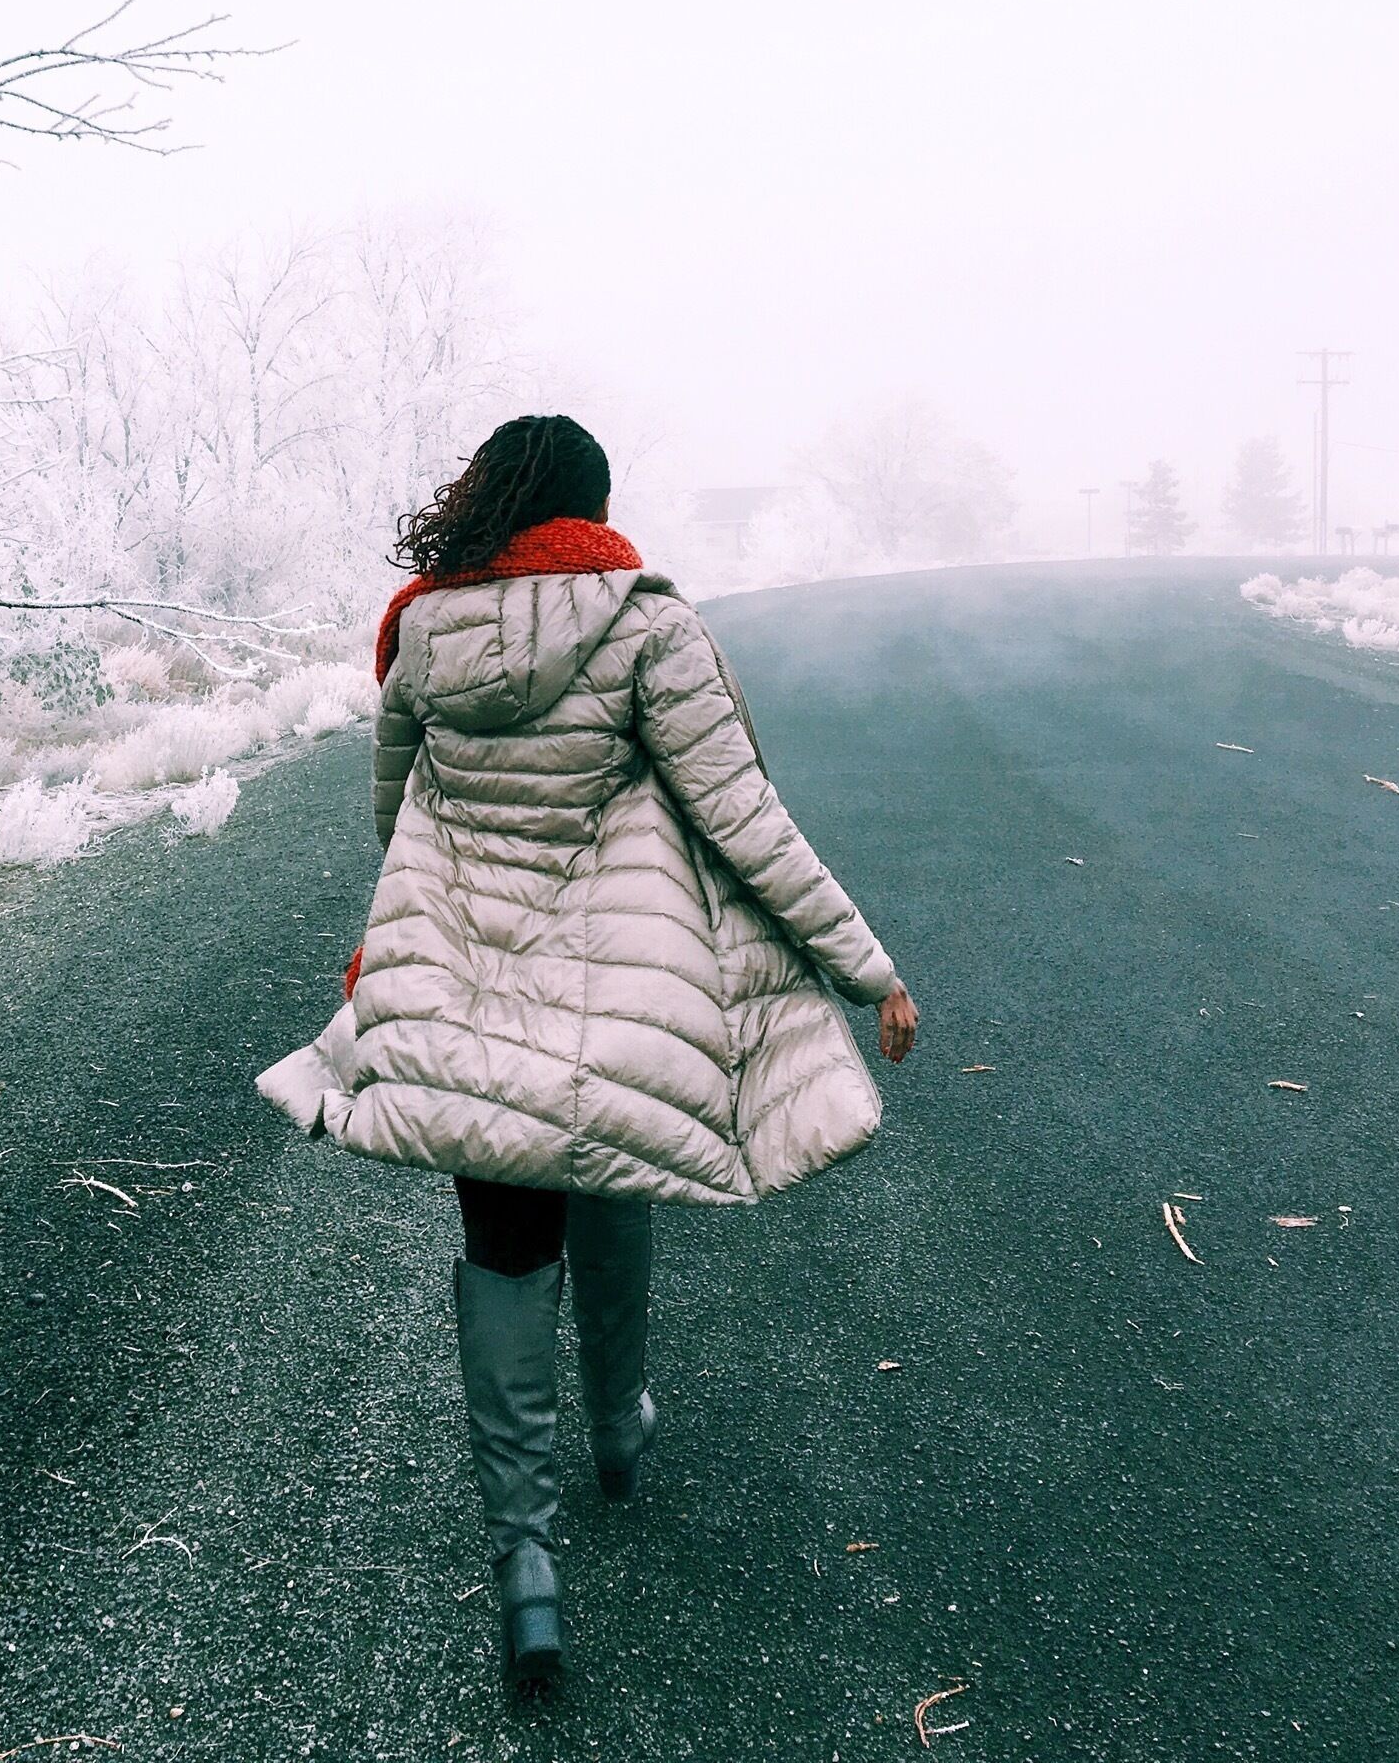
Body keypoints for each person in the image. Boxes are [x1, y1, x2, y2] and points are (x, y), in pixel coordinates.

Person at [259, 413, 919, 1693]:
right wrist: (865, 964)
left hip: (464, 1008)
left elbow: (395, 830)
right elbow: (745, 823)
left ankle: (525, 1561)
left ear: (492, 508)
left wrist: (400, 963)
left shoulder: (424, 641)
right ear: (596, 507)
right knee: (614, 1168)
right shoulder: (650, 630)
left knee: (505, 1249)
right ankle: (617, 1426)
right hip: (624, 998)